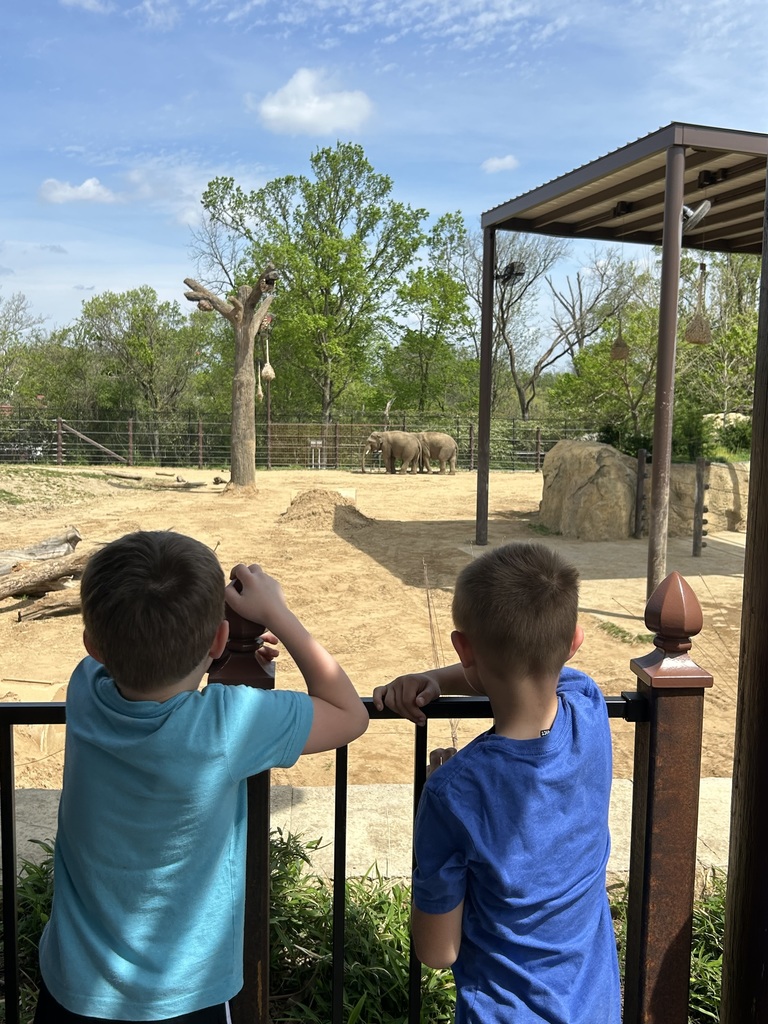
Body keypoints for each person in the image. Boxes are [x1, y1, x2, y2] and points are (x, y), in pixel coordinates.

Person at [35, 529, 368, 1024]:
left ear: (93, 645)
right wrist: (275, 614)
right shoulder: (229, 725)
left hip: (74, 989)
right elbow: (349, 713)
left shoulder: (86, 688)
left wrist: (219, 663)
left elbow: (144, 670)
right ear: (218, 637)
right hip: (187, 997)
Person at [372, 541, 621, 1024]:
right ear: (574, 642)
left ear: (463, 647)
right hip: (594, 1006)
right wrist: (439, 678)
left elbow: (437, 950)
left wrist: (433, 794)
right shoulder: (588, 705)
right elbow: (535, 671)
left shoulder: (454, 792)